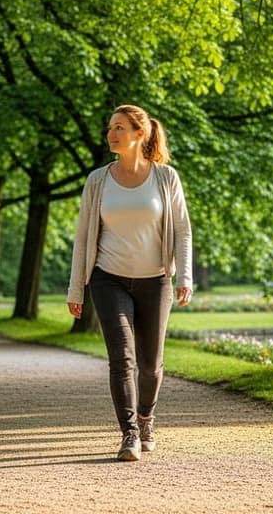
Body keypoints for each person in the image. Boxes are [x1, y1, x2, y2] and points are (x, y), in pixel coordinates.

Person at [67, 103, 193, 462]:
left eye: (119, 127)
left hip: (155, 281)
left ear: (141, 133)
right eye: (109, 127)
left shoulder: (166, 178)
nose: (111, 134)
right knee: (122, 360)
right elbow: (83, 238)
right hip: (108, 280)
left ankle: (147, 419)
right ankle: (129, 434)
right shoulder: (98, 180)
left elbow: (182, 231)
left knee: (151, 365)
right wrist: (77, 288)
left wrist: (184, 276)